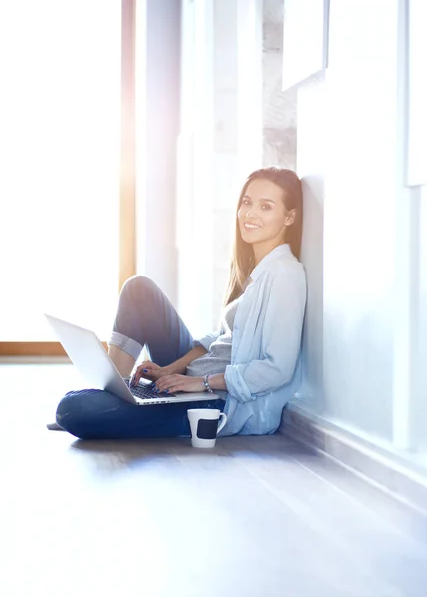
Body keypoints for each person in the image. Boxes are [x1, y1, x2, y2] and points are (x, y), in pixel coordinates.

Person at [53, 166, 307, 440]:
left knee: (73, 408)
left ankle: (111, 404)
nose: (250, 213)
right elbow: (219, 341)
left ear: (289, 217)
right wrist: (172, 370)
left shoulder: (285, 275)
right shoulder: (260, 272)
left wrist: (199, 383)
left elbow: (278, 368)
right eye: (247, 202)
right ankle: (118, 392)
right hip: (194, 378)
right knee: (138, 289)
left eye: (266, 207)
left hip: (218, 403)